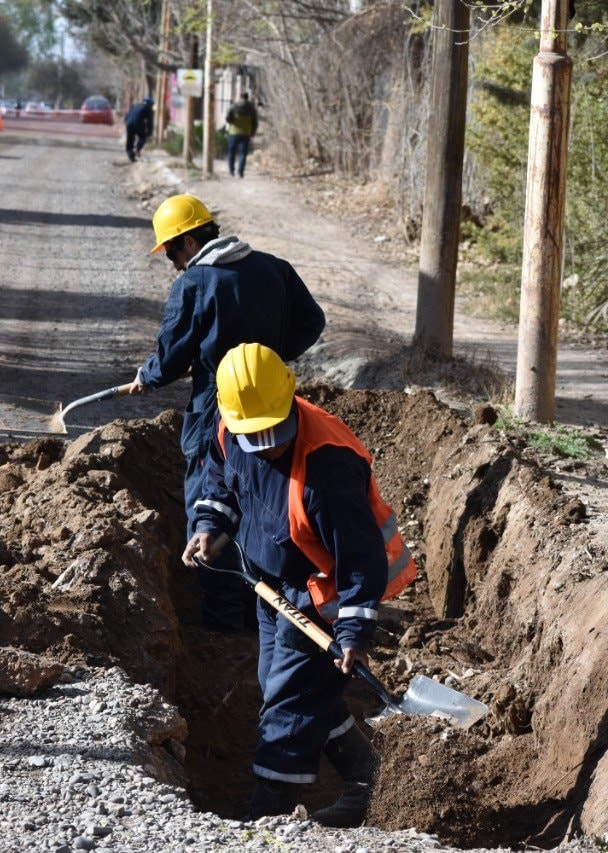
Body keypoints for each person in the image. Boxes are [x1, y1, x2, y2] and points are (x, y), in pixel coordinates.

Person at [182, 342, 418, 827]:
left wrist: (353, 632)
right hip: (271, 585)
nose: (266, 442)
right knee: (284, 688)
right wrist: (210, 524)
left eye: (273, 429)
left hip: (321, 596)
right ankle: (368, 778)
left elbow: (360, 559)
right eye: (254, 433)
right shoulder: (231, 425)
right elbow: (222, 479)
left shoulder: (327, 468)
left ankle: (267, 817)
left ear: (290, 396)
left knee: (287, 710)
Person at [133, 195, 325, 633]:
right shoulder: (274, 267)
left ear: (188, 241)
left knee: (211, 503)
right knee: (265, 497)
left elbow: (170, 358)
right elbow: (312, 321)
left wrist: (149, 375)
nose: (173, 264)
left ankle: (222, 618)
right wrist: (268, 364)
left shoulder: (195, 283)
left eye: (170, 252)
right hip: (275, 409)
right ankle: (270, 600)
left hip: (216, 411)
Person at [224, 92, 259, 178]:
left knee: (231, 152)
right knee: (243, 153)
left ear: (240, 97)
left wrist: (233, 121)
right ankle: (240, 172)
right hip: (246, 133)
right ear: (247, 98)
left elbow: (227, 118)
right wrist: (253, 132)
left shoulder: (234, 106)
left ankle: (231, 171)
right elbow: (255, 122)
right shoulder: (251, 108)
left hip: (233, 132)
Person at [124, 96, 154, 163]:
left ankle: (131, 156)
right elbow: (150, 122)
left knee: (130, 140)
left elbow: (126, 117)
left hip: (129, 123)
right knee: (142, 137)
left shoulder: (135, 106)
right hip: (138, 124)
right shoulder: (148, 109)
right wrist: (149, 132)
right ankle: (137, 149)